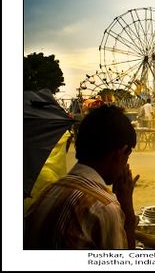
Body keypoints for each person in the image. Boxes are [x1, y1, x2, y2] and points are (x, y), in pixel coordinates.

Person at [24, 105, 139, 249]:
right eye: (127, 156)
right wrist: (127, 209)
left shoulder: (48, 192)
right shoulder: (104, 207)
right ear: (119, 154)